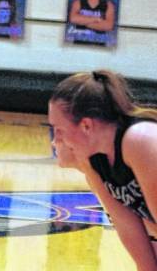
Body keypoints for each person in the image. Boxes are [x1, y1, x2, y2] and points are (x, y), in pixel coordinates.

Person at [49, 70, 157, 268]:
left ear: (86, 126)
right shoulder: (93, 163)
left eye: (59, 129)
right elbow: (128, 226)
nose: (55, 140)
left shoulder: (140, 141)